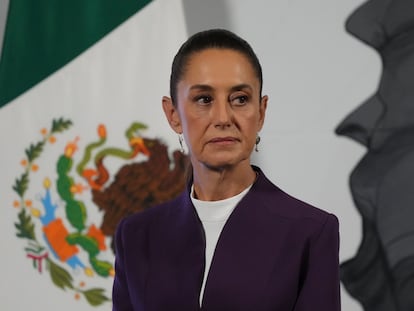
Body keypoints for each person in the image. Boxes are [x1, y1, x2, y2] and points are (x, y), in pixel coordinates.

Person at [112, 29, 340, 311]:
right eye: (204, 99)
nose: (223, 118)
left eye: (240, 99)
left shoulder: (310, 232)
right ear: (173, 115)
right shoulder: (136, 236)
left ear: (261, 111)